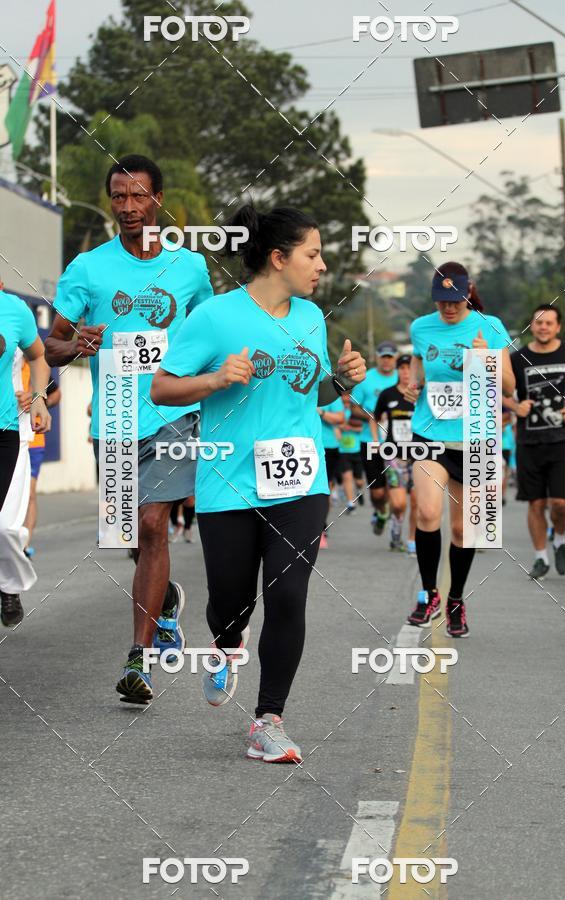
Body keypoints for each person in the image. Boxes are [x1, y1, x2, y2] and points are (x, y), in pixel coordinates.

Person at [151, 204, 366, 762]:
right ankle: (225, 645)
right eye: (312, 254)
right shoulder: (216, 318)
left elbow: (311, 391)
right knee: (229, 599)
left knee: (288, 595)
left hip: (300, 479)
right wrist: (216, 378)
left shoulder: (311, 318)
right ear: (278, 258)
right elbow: (161, 389)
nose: (321, 265)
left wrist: (339, 382)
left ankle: (269, 719)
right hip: (228, 482)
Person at [44, 154, 213, 703]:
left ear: (157, 200)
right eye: (118, 196)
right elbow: (50, 342)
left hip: (170, 413)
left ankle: (136, 659)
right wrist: (76, 345)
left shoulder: (190, 269)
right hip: (113, 414)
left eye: (138, 196)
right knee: (132, 536)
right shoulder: (88, 268)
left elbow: (209, 334)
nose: (127, 206)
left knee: (154, 523)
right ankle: (165, 601)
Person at [404, 262, 515, 636]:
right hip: (430, 434)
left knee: (466, 530)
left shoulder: (491, 327)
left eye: (455, 301)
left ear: (469, 293)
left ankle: (455, 600)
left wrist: (485, 361)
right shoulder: (420, 327)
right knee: (427, 514)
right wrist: (413, 386)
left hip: (476, 439)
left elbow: (511, 388)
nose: (448, 309)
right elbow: (419, 370)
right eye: (441, 302)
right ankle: (429, 593)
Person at [504, 304, 565, 580]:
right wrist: (515, 408)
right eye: (538, 322)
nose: (543, 327)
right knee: (536, 503)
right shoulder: (518, 358)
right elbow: (498, 389)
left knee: (561, 503)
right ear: (532, 326)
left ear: (558, 327)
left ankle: (560, 539)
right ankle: (540, 557)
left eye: (549, 323)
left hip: (563, 440)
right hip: (529, 441)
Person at [0, 288, 52, 626]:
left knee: (4, 526)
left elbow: (39, 356)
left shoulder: (13, 310)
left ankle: (8, 585)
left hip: (5, 429)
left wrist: (38, 397)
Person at [351, 341, 398, 535]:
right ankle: (381, 510)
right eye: (383, 357)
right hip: (370, 441)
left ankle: (394, 521)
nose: (386, 361)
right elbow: (353, 408)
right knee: (377, 492)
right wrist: (374, 415)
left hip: (396, 442)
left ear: (395, 358)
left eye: (390, 357)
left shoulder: (402, 377)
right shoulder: (366, 379)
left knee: (395, 486)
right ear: (377, 357)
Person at [372, 354, 417, 553]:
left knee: (417, 501)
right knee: (399, 504)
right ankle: (396, 527)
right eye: (403, 368)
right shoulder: (388, 394)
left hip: (419, 453)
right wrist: (376, 441)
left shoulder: (421, 393)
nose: (406, 372)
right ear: (398, 371)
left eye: (410, 368)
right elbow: (375, 418)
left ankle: (412, 539)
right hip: (394, 453)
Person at [20, 359, 61, 557]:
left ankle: (24, 544)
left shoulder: (35, 366)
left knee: (29, 493)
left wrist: (39, 400)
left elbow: (56, 394)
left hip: (34, 439)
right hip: (8, 435)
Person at [318, 397, 345, 547]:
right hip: (301, 444)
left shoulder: (329, 392)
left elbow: (340, 418)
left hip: (328, 446)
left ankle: (321, 527)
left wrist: (320, 412)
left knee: (324, 488)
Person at [337, 393, 365, 512]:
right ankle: (351, 503)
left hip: (357, 450)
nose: (346, 404)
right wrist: (340, 427)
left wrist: (350, 428)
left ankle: (359, 490)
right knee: (347, 476)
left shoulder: (357, 412)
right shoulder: (338, 412)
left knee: (359, 481)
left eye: (348, 401)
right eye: (344, 401)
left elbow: (362, 428)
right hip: (343, 450)